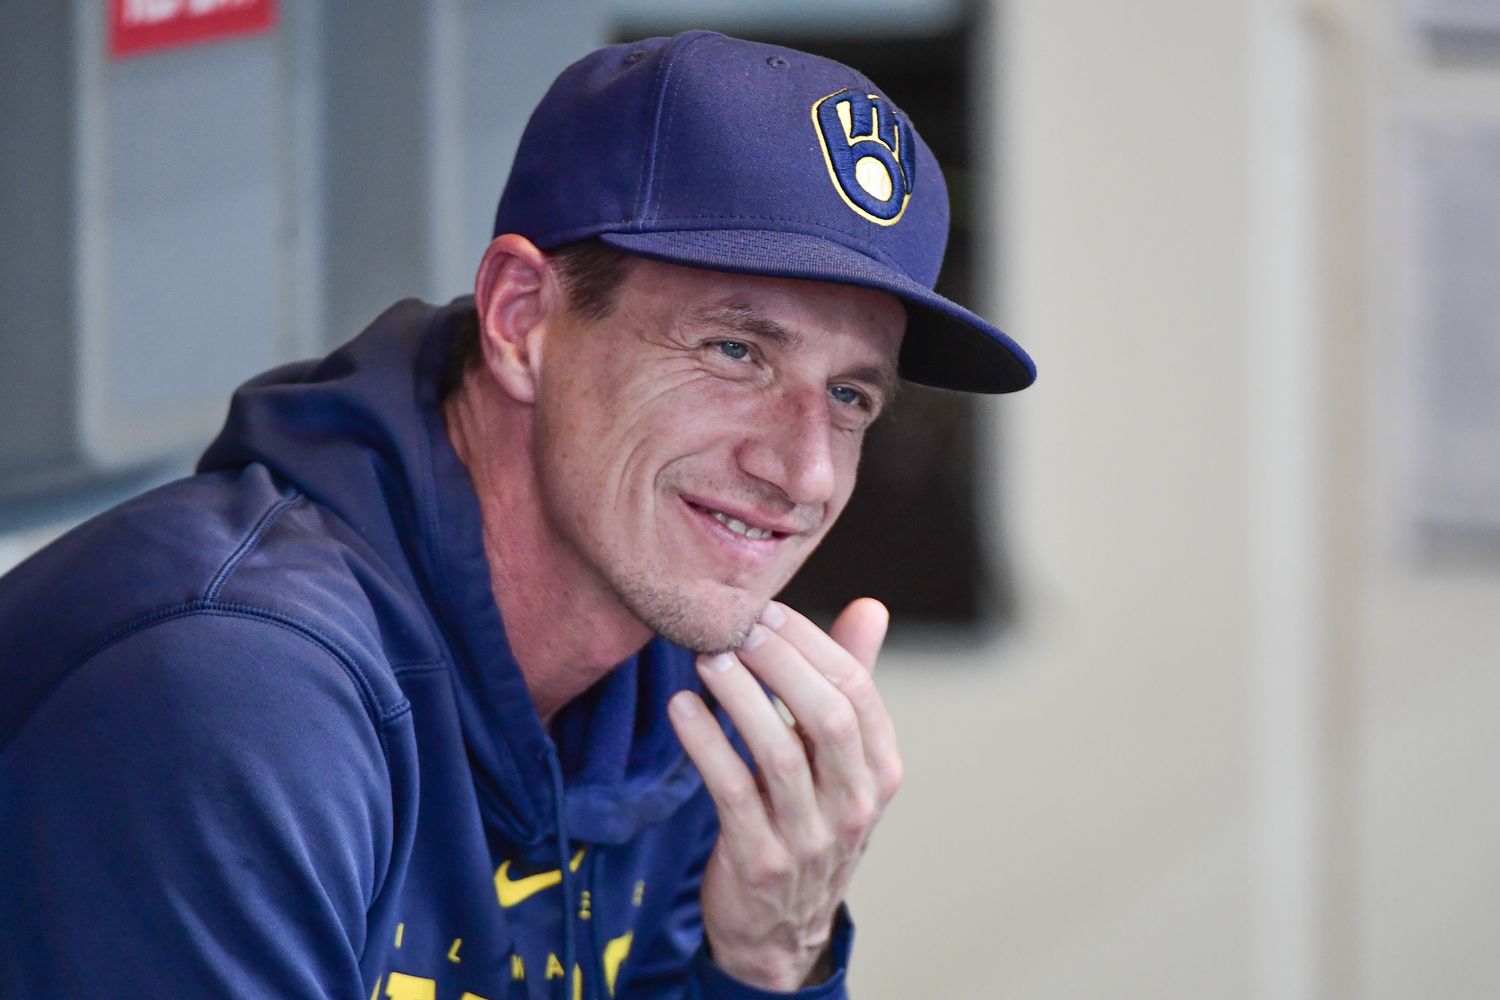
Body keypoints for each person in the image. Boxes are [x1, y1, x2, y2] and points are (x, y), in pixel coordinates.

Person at [0, 30, 1033, 1000]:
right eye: (735, 351)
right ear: (520, 319)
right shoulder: (242, 689)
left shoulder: (679, 695)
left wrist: (769, 958)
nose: (803, 469)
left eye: (849, 395)